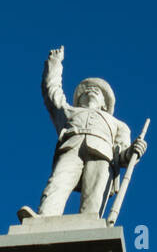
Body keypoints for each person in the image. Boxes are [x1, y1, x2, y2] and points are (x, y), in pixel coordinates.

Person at [18, 46, 147, 220]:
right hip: (72, 147)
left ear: (104, 104)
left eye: (98, 91)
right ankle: (44, 217)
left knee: (94, 195)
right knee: (57, 182)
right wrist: (55, 63)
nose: (92, 90)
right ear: (79, 99)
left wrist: (133, 151)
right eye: (87, 90)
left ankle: (91, 223)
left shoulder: (118, 124)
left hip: (103, 154)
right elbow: (51, 91)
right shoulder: (69, 112)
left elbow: (122, 154)